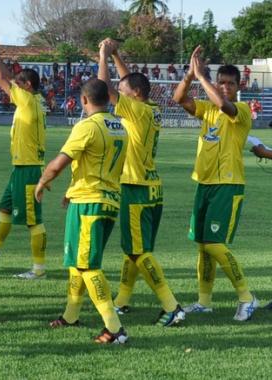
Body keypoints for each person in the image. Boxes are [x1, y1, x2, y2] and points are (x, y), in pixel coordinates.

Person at [98, 38, 185, 326]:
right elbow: (129, 83)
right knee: (134, 250)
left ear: (134, 95)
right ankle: (122, 300)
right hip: (152, 188)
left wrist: (103, 56)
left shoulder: (135, 110)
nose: (119, 93)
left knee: (138, 251)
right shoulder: (151, 108)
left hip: (134, 187)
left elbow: (102, 90)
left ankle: (172, 306)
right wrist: (117, 55)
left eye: (123, 92)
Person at [35, 78, 128, 344]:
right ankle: (70, 316)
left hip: (89, 203)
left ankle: (114, 328)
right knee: (77, 263)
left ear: (84, 100)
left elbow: (59, 163)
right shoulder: (120, 127)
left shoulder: (86, 126)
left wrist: (43, 181)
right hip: (107, 199)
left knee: (88, 267)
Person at [172, 45, 258, 321]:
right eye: (221, 82)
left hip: (228, 185)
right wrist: (189, 75)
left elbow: (224, 105)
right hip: (205, 183)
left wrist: (201, 77)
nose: (224, 87)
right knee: (202, 245)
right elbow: (178, 98)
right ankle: (204, 301)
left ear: (238, 86)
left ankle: (247, 296)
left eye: (229, 83)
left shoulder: (242, 110)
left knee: (214, 244)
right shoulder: (207, 109)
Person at [0, 39, 48, 279]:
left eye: (19, 83)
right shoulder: (35, 98)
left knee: (34, 220)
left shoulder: (26, 99)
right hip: (21, 166)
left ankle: (39, 269)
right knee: (5, 206)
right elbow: (8, 77)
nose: (14, 85)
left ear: (27, 85)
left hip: (29, 168)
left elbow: (1, 80)